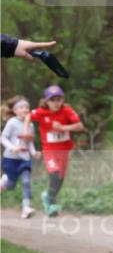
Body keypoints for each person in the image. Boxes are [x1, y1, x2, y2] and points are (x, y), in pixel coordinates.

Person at [30, 85, 84, 217]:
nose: (55, 103)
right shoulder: (41, 112)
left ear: (62, 100)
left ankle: (48, 195)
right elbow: (27, 116)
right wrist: (25, 130)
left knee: (60, 178)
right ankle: (51, 203)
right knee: (55, 173)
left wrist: (63, 127)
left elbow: (80, 126)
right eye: (52, 100)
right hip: (49, 150)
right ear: (46, 101)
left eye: (58, 99)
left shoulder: (67, 110)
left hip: (64, 150)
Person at [1, 96, 38, 218]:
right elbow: (3, 138)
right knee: (11, 185)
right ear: (15, 110)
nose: (25, 109)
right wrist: (13, 148)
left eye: (27, 107)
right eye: (22, 107)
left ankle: (26, 208)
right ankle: (4, 181)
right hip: (11, 159)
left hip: (25, 159)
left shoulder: (31, 125)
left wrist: (33, 152)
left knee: (26, 181)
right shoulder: (12, 122)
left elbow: (29, 142)